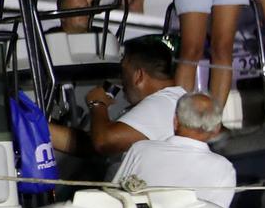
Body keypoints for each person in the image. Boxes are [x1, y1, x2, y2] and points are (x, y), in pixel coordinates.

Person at [49, 35, 186, 159]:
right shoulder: (168, 102)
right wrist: (38, 128)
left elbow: (104, 143)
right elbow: (92, 145)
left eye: (123, 73)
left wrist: (97, 104)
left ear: (139, 76)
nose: (121, 81)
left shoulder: (163, 104)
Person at [112, 94, 237, 208]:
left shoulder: (141, 150)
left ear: (175, 122)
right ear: (216, 129)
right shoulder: (223, 168)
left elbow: (114, 198)